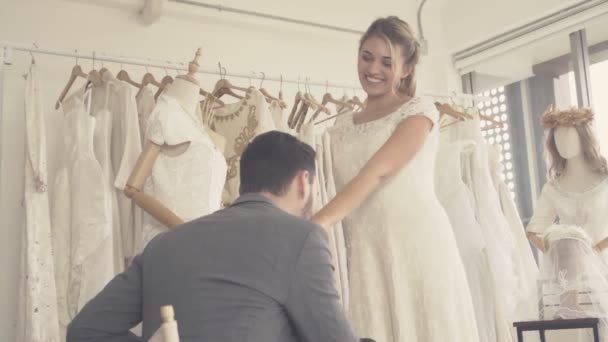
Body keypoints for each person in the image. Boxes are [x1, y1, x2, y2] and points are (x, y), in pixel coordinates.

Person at [66, 131, 360, 342]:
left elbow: (84, 332)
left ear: (245, 180)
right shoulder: (302, 238)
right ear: (303, 182)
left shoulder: (164, 244)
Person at [312, 16, 480, 341]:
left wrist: (319, 222)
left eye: (387, 62)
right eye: (367, 57)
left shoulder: (419, 111)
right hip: (365, 248)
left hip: (416, 242)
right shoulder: (339, 126)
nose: (373, 68)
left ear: (405, 69)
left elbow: (379, 171)